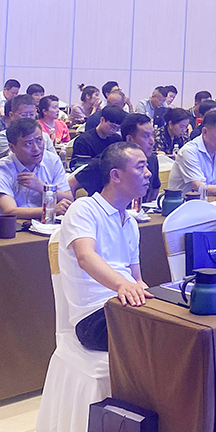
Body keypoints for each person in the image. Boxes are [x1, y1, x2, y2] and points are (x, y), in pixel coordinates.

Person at [59, 142, 151, 351]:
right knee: (162, 337)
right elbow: (85, 257)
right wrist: (122, 285)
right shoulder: (84, 209)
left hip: (128, 304)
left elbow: (137, 279)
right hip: (94, 316)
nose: (148, 173)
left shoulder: (131, 222)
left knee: (183, 325)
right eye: (140, 167)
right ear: (115, 175)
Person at [0, 117, 72, 220]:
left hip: (47, 224)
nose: (36, 148)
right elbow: (9, 211)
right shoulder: (2, 169)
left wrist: (43, 188)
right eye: (28, 143)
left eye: (39, 140)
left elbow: (69, 199)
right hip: (14, 226)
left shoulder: (52, 161)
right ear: (12, 147)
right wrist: (49, 210)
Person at [69, 113, 160, 201]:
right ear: (129, 139)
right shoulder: (108, 161)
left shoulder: (152, 159)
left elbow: (155, 189)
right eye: (146, 136)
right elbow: (71, 184)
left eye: (153, 135)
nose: (152, 142)